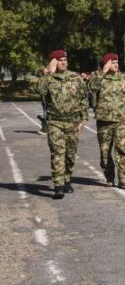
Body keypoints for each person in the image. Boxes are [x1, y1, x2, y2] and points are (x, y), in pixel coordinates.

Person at [35, 49, 89, 199]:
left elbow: (84, 99)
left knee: (70, 155)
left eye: (65, 59)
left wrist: (83, 120)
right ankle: (58, 186)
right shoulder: (48, 78)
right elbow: (39, 90)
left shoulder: (76, 77)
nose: (63, 62)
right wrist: (48, 73)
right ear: (53, 62)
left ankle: (66, 179)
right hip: (55, 122)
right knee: (58, 154)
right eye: (59, 60)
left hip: (73, 122)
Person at [88, 53, 125, 188]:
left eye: (117, 62)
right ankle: (109, 176)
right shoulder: (98, 77)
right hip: (104, 120)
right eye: (112, 62)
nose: (116, 65)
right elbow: (91, 87)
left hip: (121, 119)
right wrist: (102, 72)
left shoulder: (123, 78)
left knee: (122, 148)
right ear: (106, 64)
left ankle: (124, 177)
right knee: (105, 152)